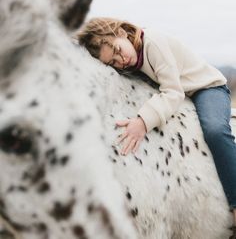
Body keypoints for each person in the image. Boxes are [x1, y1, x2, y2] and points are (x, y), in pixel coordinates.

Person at [74, 17, 236, 234]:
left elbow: (172, 92)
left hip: (206, 88)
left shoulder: (153, 43)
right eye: (113, 62)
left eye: (118, 51)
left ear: (121, 33)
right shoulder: (132, 60)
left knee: (215, 130)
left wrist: (142, 121)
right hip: (185, 95)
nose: (121, 60)